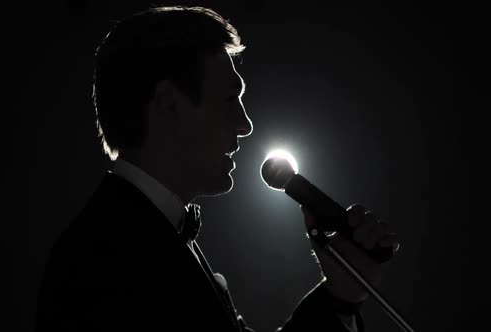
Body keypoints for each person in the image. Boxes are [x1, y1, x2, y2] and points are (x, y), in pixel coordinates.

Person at [35, 6, 399, 332]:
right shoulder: (104, 262)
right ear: (169, 104)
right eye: (229, 99)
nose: (245, 124)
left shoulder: (143, 234)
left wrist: (341, 296)